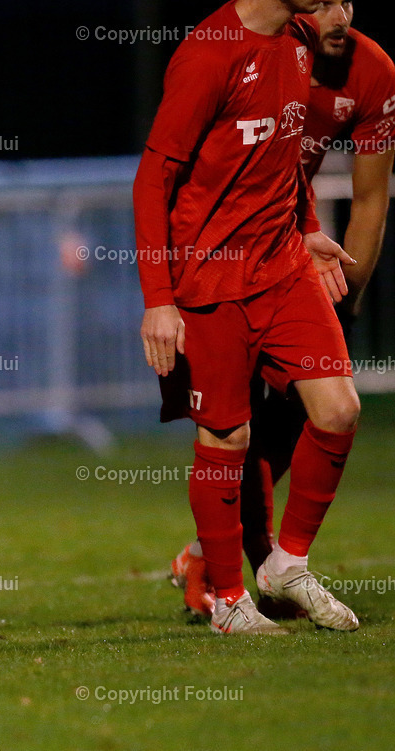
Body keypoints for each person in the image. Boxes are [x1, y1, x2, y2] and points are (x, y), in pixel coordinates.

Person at [135, 0, 362, 634]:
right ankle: (229, 600)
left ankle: (287, 564)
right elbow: (154, 176)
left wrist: (310, 230)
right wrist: (158, 297)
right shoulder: (208, 54)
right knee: (226, 438)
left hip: (284, 267)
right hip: (209, 282)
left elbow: (286, 155)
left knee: (339, 410)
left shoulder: (298, 39)